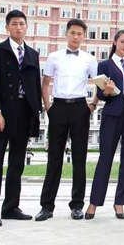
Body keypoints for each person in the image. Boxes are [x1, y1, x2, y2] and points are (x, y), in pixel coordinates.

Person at [0, 10, 42, 227]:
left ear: (26, 27)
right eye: (14, 24)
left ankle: (11, 207)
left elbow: (35, 85)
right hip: (4, 111)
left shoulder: (32, 54)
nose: (18, 27)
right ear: (7, 27)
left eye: (22, 24)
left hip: (25, 111)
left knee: (17, 162)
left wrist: (37, 113)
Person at [35, 19, 98, 222]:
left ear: (84, 36)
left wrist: (92, 106)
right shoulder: (54, 57)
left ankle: (77, 205)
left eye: (80, 34)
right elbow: (46, 83)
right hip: (58, 107)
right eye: (73, 33)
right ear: (66, 34)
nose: (76, 37)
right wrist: (48, 107)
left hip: (80, 108)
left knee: (79, 159)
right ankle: (46, 206)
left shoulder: (89, 59)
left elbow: (99, 83)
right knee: (54, 158)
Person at [85, 30, 124, 219]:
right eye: (122, 42)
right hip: (112, 114)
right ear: (115, 42)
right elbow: (101, 95)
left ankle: (120, 203)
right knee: (105, 158)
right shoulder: (104, 65)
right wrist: (107, 91)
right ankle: (94, 202)